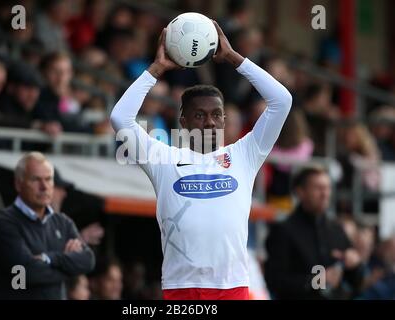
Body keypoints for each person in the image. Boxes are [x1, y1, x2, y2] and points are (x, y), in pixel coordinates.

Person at [110, 22, 292, 300]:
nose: (209, 121)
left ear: (224, 119)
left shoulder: (245, 154)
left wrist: (233, 58)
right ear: (183, 121)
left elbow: (282, 99)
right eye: (199, 115)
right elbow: (120, 119)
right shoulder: (163, 158)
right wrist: (156, 69)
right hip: (181, 289)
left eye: (216, 114)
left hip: (233, 288)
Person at [0, 152, 95, 299]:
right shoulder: (4, 223)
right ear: (18, 184)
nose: (44, 186)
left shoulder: (63, 222)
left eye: (48, 179)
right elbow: (23, 276)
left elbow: (88, 261)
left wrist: (51, 259)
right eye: (36, 180)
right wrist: (68, 268)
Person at [264, 166, 365, 299]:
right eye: (318, 188)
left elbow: (356, 282)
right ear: (300, 192)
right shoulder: (283, 231)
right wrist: (314, 281)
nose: (325, 194)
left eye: (327, 188)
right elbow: (274, 281)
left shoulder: (337, 229)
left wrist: (355, 265)